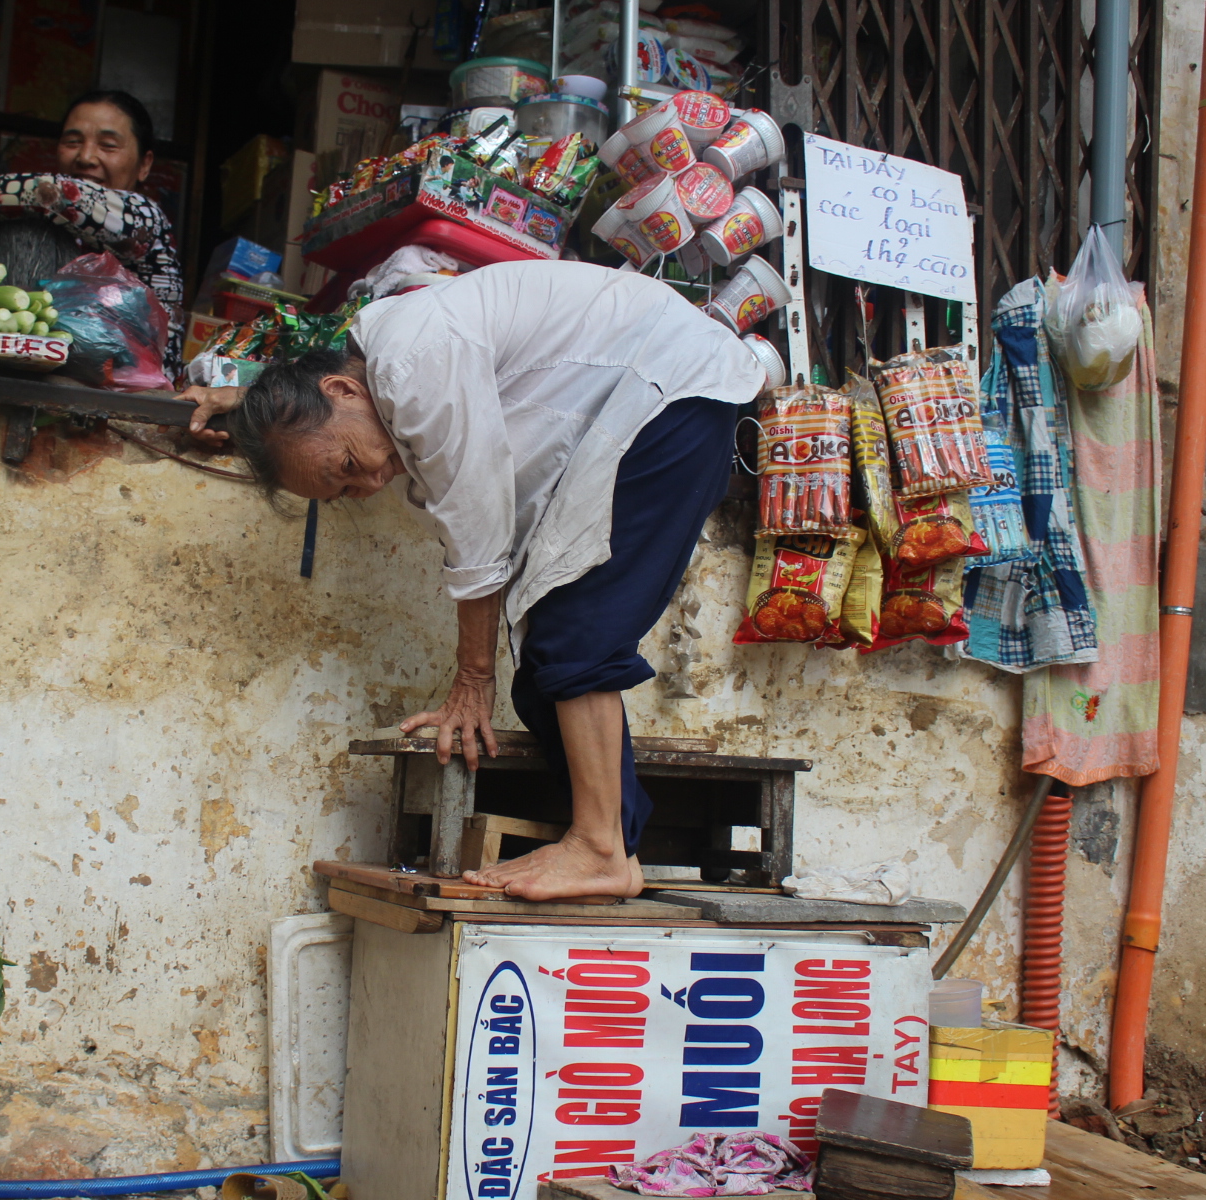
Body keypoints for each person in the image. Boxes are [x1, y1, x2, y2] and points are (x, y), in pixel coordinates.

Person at [180, 261, 768, 901]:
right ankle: (610, 846)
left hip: (672, 390)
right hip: (642, 405)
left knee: (577, 640)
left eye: (349, 464)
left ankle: (600, 849)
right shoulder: (378, 371)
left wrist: (473, 676)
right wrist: (239, 394)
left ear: (342, 392)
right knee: (545, 672)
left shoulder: (410, 359)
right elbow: (308, 416)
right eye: (349, 490)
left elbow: (479, 518)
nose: (373, 483)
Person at [0, 89, 185, 377]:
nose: (86, 157)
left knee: (24, 217)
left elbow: (50, 194)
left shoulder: (145, 217)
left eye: (108, 145)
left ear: (144, 164)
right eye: (72, 142)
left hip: (137, 398)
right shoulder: (67, 230)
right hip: (70, 388)